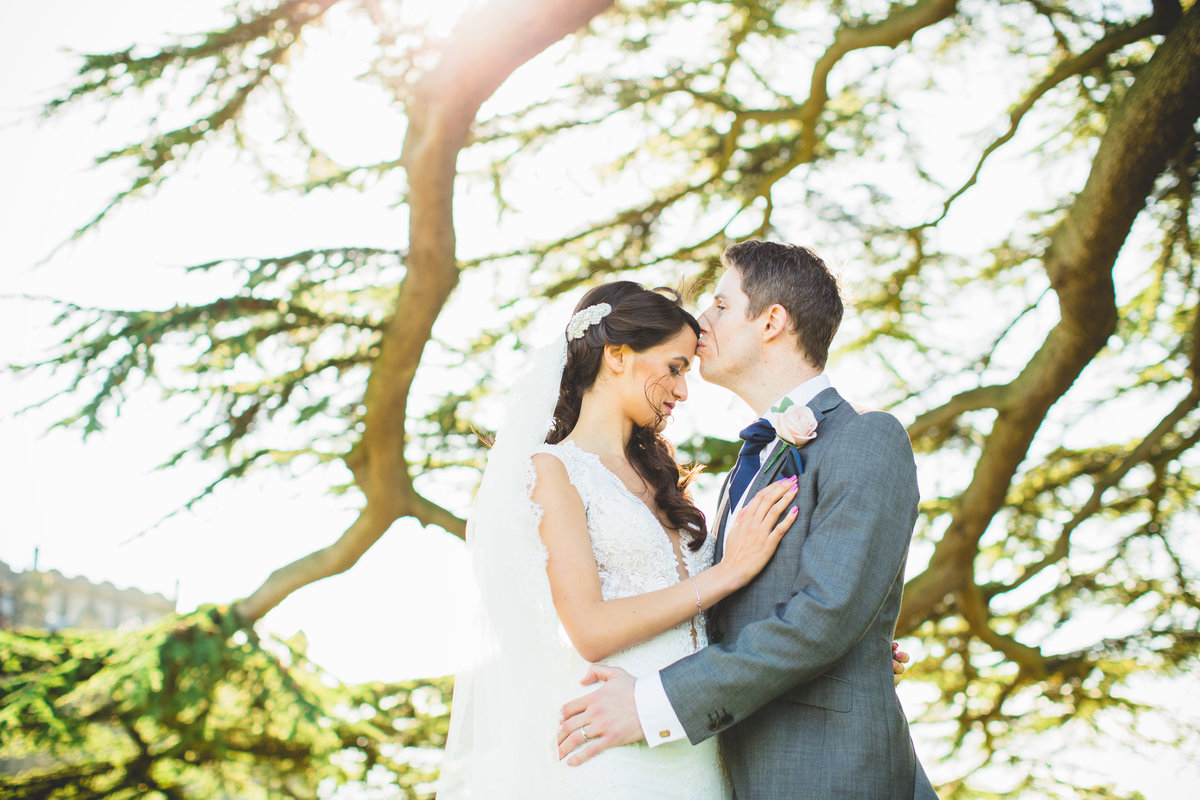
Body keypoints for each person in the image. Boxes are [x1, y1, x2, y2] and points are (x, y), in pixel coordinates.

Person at [556, 241, 939, 799]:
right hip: (726, 767)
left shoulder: (864, 438)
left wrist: (650, 704)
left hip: (828, 773)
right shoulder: (750, 462)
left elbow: (824, 617)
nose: (700, 321)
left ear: (772, 321)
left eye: (719, 305)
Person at [436, 281, 802, 800]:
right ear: (616, 355)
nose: (683, 390)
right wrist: (727, 573)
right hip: (620, 755)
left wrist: (835, 649)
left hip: (705, 750)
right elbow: (589, 628)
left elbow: (713, 617)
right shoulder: (552, 470)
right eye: (674, 367)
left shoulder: (664, 481)